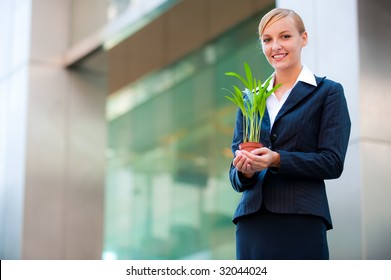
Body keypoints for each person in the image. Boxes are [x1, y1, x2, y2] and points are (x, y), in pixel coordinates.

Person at [229, 8, 351, 260]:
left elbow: (332, 162)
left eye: (285, 36)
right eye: (267, 39)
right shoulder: (249, 100)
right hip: (252, 223)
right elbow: (235, 176)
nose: (276, 46)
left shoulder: (327, 92)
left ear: (303, 39)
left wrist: (276, 159)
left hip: (301, 221)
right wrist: (245, 171)